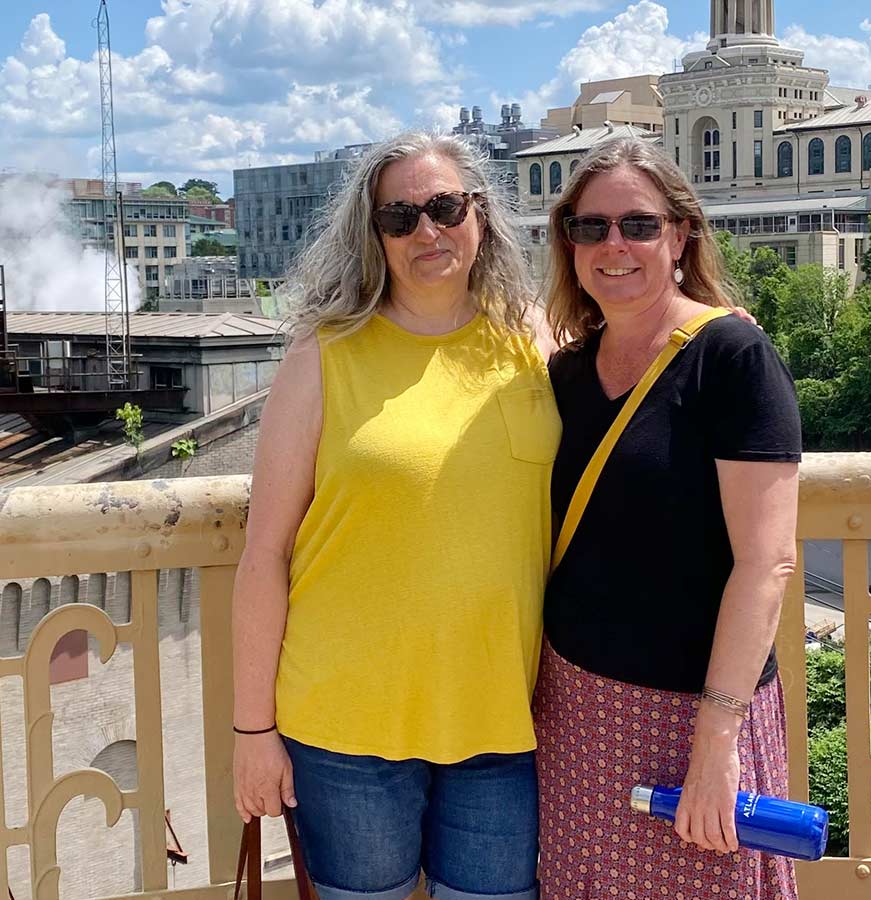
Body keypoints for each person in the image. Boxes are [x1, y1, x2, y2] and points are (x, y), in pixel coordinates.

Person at [230, 132, 560, 900]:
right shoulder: (324, 353)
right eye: (400, 217)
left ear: (480, 214)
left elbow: (641, 381)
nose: (427, 232)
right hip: (346, 728)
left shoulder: (534, 342)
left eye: (445, 207)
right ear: (372, 235)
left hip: (503, 719)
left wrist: (717, 320)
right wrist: (253, 731)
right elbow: (265, 554)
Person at [533, 137, 802, 900]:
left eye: (639, 225)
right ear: (569, 243)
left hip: (693, 718)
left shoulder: (733, 355)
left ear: (681, 236)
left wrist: (716, 743)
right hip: (576, 710)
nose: (614, 245)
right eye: (591, 228)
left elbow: (767, 562)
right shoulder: (568, 371)